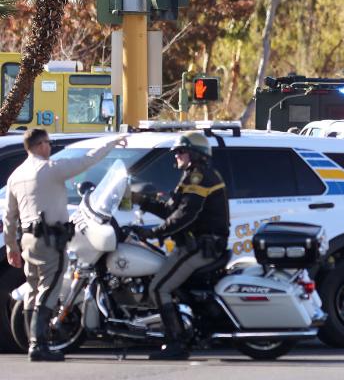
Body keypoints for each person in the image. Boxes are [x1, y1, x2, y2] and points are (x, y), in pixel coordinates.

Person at [3, 129, 128, 362]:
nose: (50, 148)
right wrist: (112, 142)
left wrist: (11, 246)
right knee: (49, 289)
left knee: (32, 288)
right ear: (40, 145)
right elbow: (87, 160)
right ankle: (38, 345)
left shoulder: (16, 175)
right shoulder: (50, 169)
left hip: (28, 240)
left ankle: (34, 342)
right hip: (50, 240)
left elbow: (9, 217)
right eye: (48, 143)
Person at [133, 131, 230, 360]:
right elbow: (171, 211)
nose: (176, 155)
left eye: (180, 151)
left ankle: (177, 342)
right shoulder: (192, 176)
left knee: (159, 288)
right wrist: (142, 201)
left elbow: (186, 215)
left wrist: (154, 232)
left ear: (194, 154)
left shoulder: (199, 177)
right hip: (197, 244)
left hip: (200, 246)